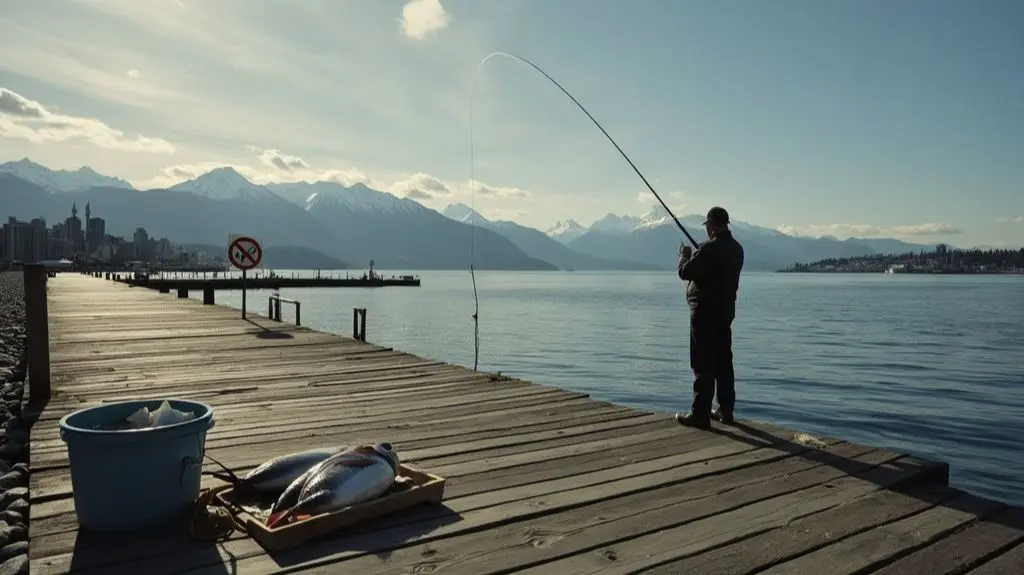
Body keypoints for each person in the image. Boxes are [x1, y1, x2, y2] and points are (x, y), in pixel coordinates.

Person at [675, 206, 744, 429]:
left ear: (711, 226)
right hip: (725, 316)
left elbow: (685, 272)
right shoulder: (737, 249)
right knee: (724, 364)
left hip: (704, 315)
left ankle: (701, 415)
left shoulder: (707, 250)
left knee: (703, 365)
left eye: (707, 227)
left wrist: (684, 255)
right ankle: (726, 411)